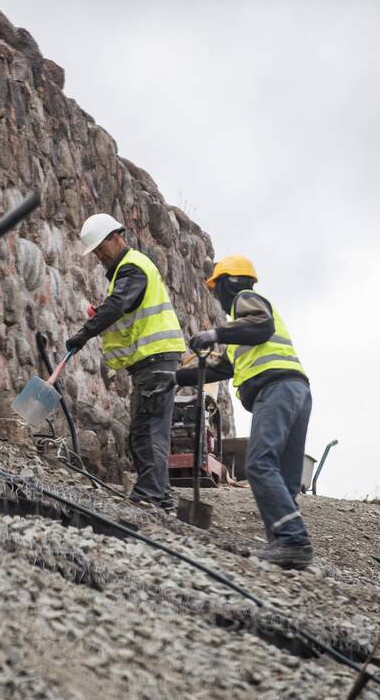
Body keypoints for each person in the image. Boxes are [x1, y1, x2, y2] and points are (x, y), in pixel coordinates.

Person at [179, 254, 313, 569]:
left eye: (216, 289)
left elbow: (261, 325)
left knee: (259, 464)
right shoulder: (241, 338)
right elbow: (221, 368)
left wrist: (215, 334)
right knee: (286, 477)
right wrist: (175, 377)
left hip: (276, 390)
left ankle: (294, 540)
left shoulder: (246, 299)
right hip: (297, 391)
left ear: (228, 282)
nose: (218, 299)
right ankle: (285, 546)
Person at [65, 214, 187, 511]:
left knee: (145, 431)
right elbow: (122, 308)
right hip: (155, 361)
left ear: (115, 237)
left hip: (154, 360)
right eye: (94, 252)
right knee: (150, 429)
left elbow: (119, 305)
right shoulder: (131, 270)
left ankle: (149, 497)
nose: (98, 256)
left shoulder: (132, 268)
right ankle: (163, 497)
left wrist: (84, 334)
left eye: (99, 248)